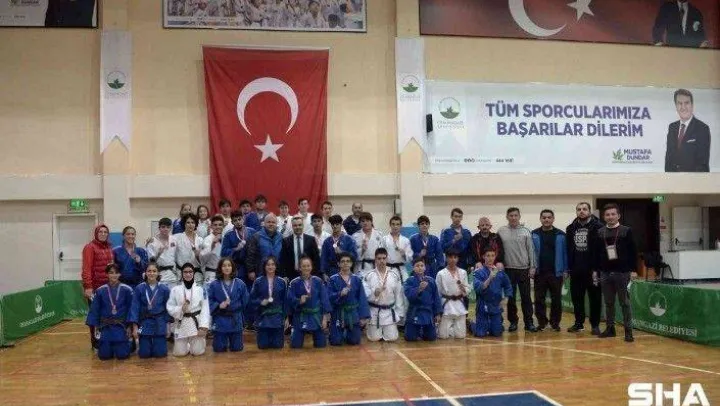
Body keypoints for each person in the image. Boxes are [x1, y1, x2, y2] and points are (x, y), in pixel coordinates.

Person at [593, 204, 638, 343]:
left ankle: (628, 331)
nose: (610, 217)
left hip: (622, 272)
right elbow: (596, 253)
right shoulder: (600, 232)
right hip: (605, 272)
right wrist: (596, 271)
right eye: (607, 214)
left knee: (624, 303)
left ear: (618, 216)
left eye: (613, 214)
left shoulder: (626, 231)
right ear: (604, 217)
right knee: (608, 303)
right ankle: (610, 329)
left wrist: (633, 270)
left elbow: (633, 252)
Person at [497, 207, 538, 333]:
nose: (513, 218)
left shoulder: (526, 231)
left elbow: (531, 250)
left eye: (516, 215)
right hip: (508, 270)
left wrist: (532, 266)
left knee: (526, 298)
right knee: (511, 298)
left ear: (519, 216)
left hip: (524, 270)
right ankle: (513, 322)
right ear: (507, 217)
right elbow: (497, 249)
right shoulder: (501, 231)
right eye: (511, 215)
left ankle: (529, 322)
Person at [566, 202, 603, 334]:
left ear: (589, 211)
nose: (581, 211)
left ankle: (595, 325)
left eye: (584, 209)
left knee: (595, 299)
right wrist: (569, 267)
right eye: (579, 209)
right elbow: (568, 249)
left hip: (593, 271)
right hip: (576, 270)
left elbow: (601, 250)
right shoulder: (570, 228)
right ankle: (579, 323)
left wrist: (597, 268)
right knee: (577, 298)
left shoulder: (599, 227)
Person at [85, 263, 134, 360]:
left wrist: (130, 326)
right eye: (111, 273)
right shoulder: (100, 290)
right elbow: (95, 310)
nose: (114, 275)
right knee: (104, 356)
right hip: (105, 326)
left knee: (122, 355)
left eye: (116, 273)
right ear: (107, 274)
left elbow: (131, 309)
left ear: (120, 274)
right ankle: (109, 345)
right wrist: (96, 328)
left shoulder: (127, 290)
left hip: (121, 326)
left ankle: (128, 344)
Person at [531, 210, 568, 332]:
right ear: (540, 219)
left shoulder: (561, 235)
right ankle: (542, 323)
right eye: (544, 217)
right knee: (539, 299)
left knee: (556, 299)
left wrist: (565, 270)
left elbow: (565, 254)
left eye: (549, 217)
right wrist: (531, 267)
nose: (546, 219)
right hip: (539, 273)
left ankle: (555, 323)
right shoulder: (534, 234)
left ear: (553, 219)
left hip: (556, 273)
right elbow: (530, 253)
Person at [287, 255, 331, 349]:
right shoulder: (294, 283)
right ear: (300, 268)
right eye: (304, 266)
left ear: (311, 267)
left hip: (316, 316)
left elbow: (324, 300)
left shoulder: (318, 281)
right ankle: (294, 334)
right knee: (295, 345)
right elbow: (289, 300)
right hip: (301, 316)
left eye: (308, 266)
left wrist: (324, 319)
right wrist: (299, 301)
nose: (306, 268)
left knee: (321, 345)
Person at [128, 261, 171, 358]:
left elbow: (168, 308)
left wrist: (168, 326)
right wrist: (135, 327)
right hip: (144, 322)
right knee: (144, 354)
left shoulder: (164, 289)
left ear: (158, 273)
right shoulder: (139, 288)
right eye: (149, 271)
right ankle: (142, 345)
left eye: (154, 271)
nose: (151, 273)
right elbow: (135, 308)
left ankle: (158, 346)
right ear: (145, 273)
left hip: (159, 322)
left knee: (160, 354)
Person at [167, 263, 211, 356]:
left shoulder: (201, 290)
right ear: (182, 274)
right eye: (185, 272)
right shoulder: (175, 290)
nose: (188, 274)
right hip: (181, 322)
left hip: (195, 322)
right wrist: (180, 309)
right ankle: (187, 345)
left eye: (190, 272)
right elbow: (170, 307)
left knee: (197, 352)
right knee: (179, 353)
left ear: (194, 273)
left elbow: (205, 309)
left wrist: (203, 326)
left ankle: (199, 342)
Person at [82, 224, 114, 349]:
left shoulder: (109, 247)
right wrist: (88, 286)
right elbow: (86, 268)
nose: (103, 234)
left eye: (105, 232)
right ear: (96, 233)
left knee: (106, 315)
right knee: (96, 315)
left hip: (108, 288)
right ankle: (96, 341)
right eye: (100, 231)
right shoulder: (89, 247)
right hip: (95, 288)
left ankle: (106, 339)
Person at [327, 253, 370, 346]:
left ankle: (346, 333)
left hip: (352, 313)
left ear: (351, 263)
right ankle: (337, 333)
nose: (345, 263)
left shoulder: (357, 279)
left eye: (348, 261)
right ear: (338, 264)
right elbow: (329, 297)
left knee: (354, 341)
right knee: (335, 342)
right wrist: (340, 294)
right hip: (338, 313)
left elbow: (362, 299)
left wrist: (363, 317)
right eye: (342, 261)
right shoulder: (333, 279)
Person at [207, 258, 249, 352]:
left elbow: (245, 301)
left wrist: (237, 309)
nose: (227, 268)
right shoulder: (214, 284)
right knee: (219, 349)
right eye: (224, 266)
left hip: (235, 319)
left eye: (229, 265)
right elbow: (209, 301)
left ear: (232, 268)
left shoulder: (240, 283)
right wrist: (218, 305)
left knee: (237, 348)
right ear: (220, 268)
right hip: (220, 319)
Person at [363, 248, 405, 342]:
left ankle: (387, 330)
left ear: (387, 259)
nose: (381, 261)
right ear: (375, 259)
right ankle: (374, 330)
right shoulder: (368, 276)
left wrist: (399, 313)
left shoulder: (394, 275)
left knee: (392, 338)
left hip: (389, 312)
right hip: (374, 312)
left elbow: (398, 296)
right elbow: (365, 296)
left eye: (384, 258)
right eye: (379, 258)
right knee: (374, 338)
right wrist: (374, 294)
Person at [664, 89, 711, 172]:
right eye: (679, 103)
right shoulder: (672, 127)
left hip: (694, 179)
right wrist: (669, 178)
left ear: (692, 105)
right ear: (676, 106)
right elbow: (668, 160)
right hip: (672, 179)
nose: (683, 107)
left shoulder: (702, 128)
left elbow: (702, 164)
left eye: (686, 103)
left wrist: (687, 179)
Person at [471, 249, 512, 337]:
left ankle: (493, 324)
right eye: (488, 255)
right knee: (480, 334)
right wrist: (489, 278)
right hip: (483, 305)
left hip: (496, 305)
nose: (490, 258)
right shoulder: (477, 272)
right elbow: (478, 288)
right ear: (483, 257)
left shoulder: (500, 272)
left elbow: (508, 285)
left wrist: (506, 299)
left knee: (497, 333)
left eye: (493, 255)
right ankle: (472, 324)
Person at [251, 256, 288, 349]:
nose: (270, 267)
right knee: (263, 346)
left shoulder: (281, 282)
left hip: (277, 318)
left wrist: (286, 318)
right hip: (263, 318)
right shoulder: (258, 281)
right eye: (268, 265)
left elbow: (285, 301)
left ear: (276, 266)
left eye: (272, 264)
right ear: (264, 266)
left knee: (278, 346)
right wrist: (260, 302)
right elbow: (251, 300)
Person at [404, 258, 443, 342]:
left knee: (431, 337)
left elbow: (436, 298)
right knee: (410, 338)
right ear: (413, 268)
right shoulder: (409, 280)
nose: (420, 268)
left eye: (422, 265)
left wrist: (438, 313)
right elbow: (409, 295)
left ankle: (422, 332)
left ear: (425, 268)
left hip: (428, 312)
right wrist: (419, 289)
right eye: (417, 266)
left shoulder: (431, 281)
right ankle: (417, 332)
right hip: (415, 312)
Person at [435, 249, 470, 339]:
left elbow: (467, 290)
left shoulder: (463, 272)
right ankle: (447, 330)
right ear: (446, 258)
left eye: (455, 257)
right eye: (450, 257)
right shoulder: (441, 274)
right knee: (443, 336)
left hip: (459, 303)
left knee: (461, 336)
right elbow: (437, 293)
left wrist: (464, 289)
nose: (453, 259)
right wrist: (437, 311)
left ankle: (453, 330)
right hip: (446, 304)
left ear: (458, 259)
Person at [280, 215, 321, 280]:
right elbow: (283, 260)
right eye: (295, 225)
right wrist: (284, 275)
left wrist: (315, 275)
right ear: (292, 226)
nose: (297, 227)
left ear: (303, 225)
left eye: (299, 225)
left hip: (309, 275)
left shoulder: (311, 240)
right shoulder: (286, 241)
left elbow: (316, 259)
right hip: (291, 276)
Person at [221, 210, 256, 281]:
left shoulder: (252, 232)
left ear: (243, 219)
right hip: (237, 268)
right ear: (232, 222)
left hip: (251, 267)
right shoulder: (228, 235)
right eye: (235, 220)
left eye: (239, 219)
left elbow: (257, 249)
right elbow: (223, 253)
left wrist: (253, 268)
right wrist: (236, 249)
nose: (238, 222)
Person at [146, 218, 178, 287]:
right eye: (163, 227)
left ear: (171, 228)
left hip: (173, 276)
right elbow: (151, 262)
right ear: (159, 228)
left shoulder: (174, 239)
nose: (165, 229)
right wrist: (159, 253)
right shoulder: (152, 242)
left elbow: (177, 257)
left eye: (168, 227)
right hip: (159, 276)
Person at [174, 213, 204, 285]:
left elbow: (204, 260)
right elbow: (165, 239)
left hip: (197, 275)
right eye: (188, 222)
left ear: (196, 224)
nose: (190, 225)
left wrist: (198, 255)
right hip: (182, 274)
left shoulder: (200, 240)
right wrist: (153, 239)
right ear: (184, 224)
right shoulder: (177, 238)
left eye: (193, 222)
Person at [353, 212, 385, 278]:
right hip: (360, 267)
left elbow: (383, 253)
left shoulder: (379, 234)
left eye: (367, 220)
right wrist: (362, 250)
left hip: (376, 266)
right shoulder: (355, 236)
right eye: (363, 221)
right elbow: (353, 255)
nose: (365, 223)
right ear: (360, 223)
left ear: (371, 222)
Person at [200, 216, 225, 288]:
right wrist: (213, 245)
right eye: (215, 225)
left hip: (224, 273)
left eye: (220, 225)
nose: (218, 227)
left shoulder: (225, 238)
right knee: (208, 294)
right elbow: (202, 257)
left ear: (223, 226)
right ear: (211, 226)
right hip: (211, 273)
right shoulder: (207, 239)